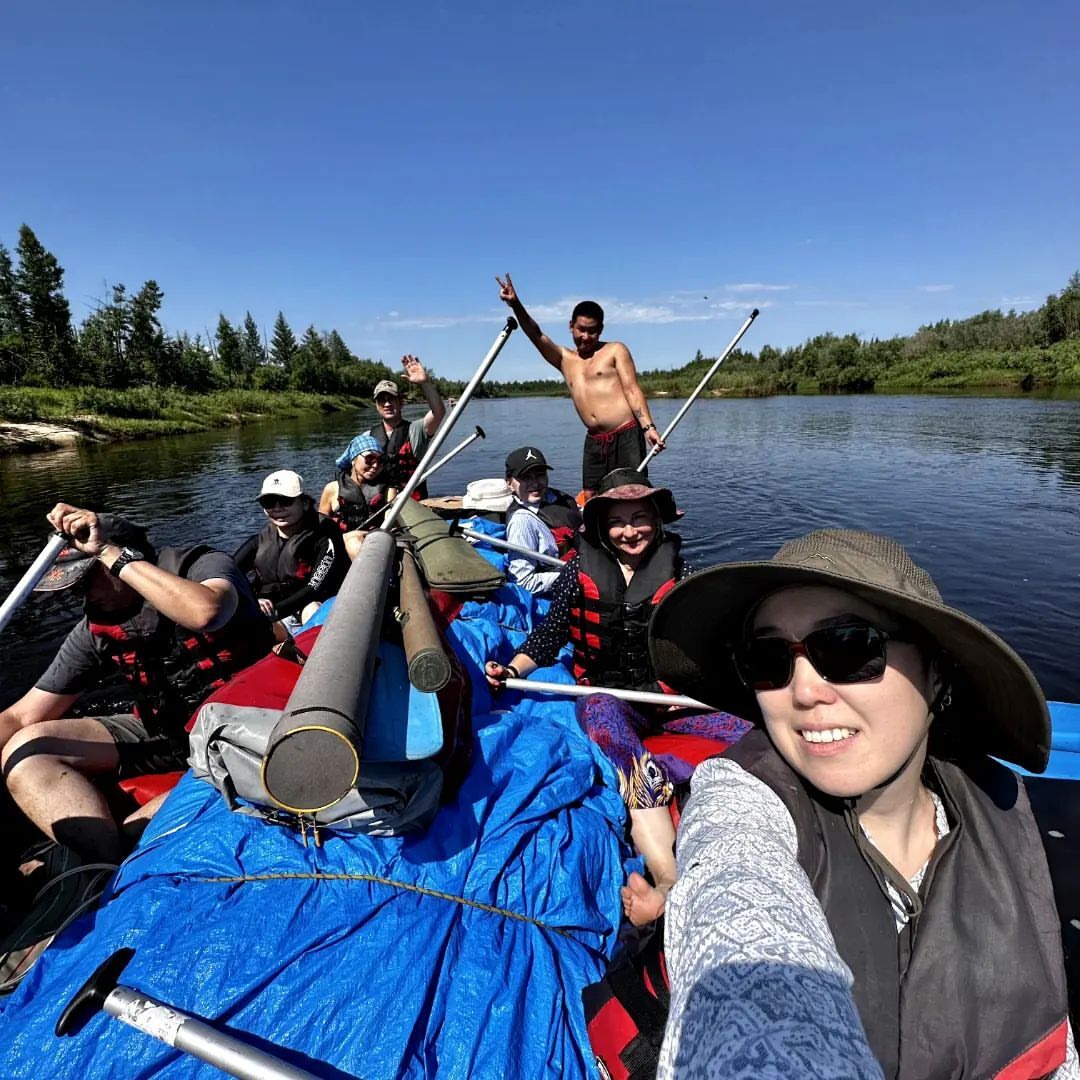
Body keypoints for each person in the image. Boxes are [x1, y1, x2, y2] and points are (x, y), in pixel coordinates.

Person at [649, 529, 1078, 1079]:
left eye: (849, 647)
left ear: (937, 671)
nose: (803, 692)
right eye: (768, 657)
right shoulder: (741, 800)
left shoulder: (1002, 808)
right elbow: (740, 916)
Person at [484, 469, 748, 925]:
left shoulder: (683, 572)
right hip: (608, 695)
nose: (630, 531)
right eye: (618, 521)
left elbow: (714, 640)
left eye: (640, 518)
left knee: (748, 731)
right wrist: (511, 669)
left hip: (669, 701)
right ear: (602, 527)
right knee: (614, 733)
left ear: (658, 521)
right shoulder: (577, 571)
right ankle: (667, 881)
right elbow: (548, 637)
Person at [0, 504, 274, 865]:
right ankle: (104, 864)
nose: (81, 596)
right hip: (169, 731)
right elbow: (22, 716)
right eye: (73, 587)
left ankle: (126, 848)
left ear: (124, 557)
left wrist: (106, 552)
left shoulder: (200, 566)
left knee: (136, 829)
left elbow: (206, 612)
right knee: (26, 750)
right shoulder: (96, 630)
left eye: (87, 580)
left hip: (244, 732)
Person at [496, 273, 665, 497]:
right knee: (591, 497)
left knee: (631, 494)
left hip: (627, 435)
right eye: (581, 330)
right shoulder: (565, 359)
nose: (586, 336)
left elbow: (632, 390)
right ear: (571, 327)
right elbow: (536, 334)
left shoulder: (615, 350)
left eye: (592, 331)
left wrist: (648, 427)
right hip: (594, 440)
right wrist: (515, 305)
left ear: (601, 329)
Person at [235, 470, 348, 631]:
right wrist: (253, 601)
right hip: (268, 609)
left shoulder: (324, 537)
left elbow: (314, 587)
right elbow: (228, 575)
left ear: (305, 503)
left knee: (313, 610)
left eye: (285, 501)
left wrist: (276, 611)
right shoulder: (259, 541)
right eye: (269, 502)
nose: (277, 508)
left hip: (307, 606)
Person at [502, 445, 582, 595]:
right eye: (525, 477)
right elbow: (524, 582)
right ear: (509, 482)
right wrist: (576, 576)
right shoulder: (522, 522)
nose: (535, 483)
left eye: (540, 475)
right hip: (569, 583)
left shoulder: (561, 499)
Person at [367, 355, 445, 499]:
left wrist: (425, 383)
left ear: (401, 402)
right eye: (382, 400)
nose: (387, 404)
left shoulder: (416, 431)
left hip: (413, 506)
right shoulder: (367, 437)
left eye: (391, 399)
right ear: (376, 406)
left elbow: (439, 412)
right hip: (380, 507)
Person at [319, 434, 389, 559]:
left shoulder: (388, 490)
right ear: (353, 459)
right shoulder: (332, 489)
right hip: (341, 544)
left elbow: (391, 523)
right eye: (369, 458)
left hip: (374, 543)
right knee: (352, 542)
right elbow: (321, 526)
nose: (375, 465)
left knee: (354, 543)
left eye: (380, 460)